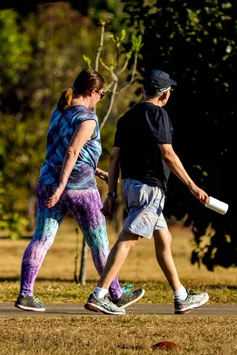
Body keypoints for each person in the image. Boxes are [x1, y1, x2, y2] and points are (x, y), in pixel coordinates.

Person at [15, 68, 145, 312]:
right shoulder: (86, 118)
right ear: (93, 91)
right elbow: (72, 152)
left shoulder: (58, 112)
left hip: (48, 182)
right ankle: (115, 294)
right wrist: (65, 185)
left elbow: (65, 153)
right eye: (102, 94)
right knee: (99, 244)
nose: (100, 98)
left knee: (42, 238)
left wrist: (99, 172)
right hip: (80, 191)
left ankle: (26, 294)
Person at [84, 68, 210, 315]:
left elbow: (114, 158)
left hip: (131, 187)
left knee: (164, 239)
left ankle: (181, 296)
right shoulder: (159, 115)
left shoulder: (126, 118)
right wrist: (192, 186)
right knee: (128, 240)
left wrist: (111, 194)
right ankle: (99, 294)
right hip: (150, 190)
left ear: (143, 91)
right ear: (164, 95)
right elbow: (168, 154)